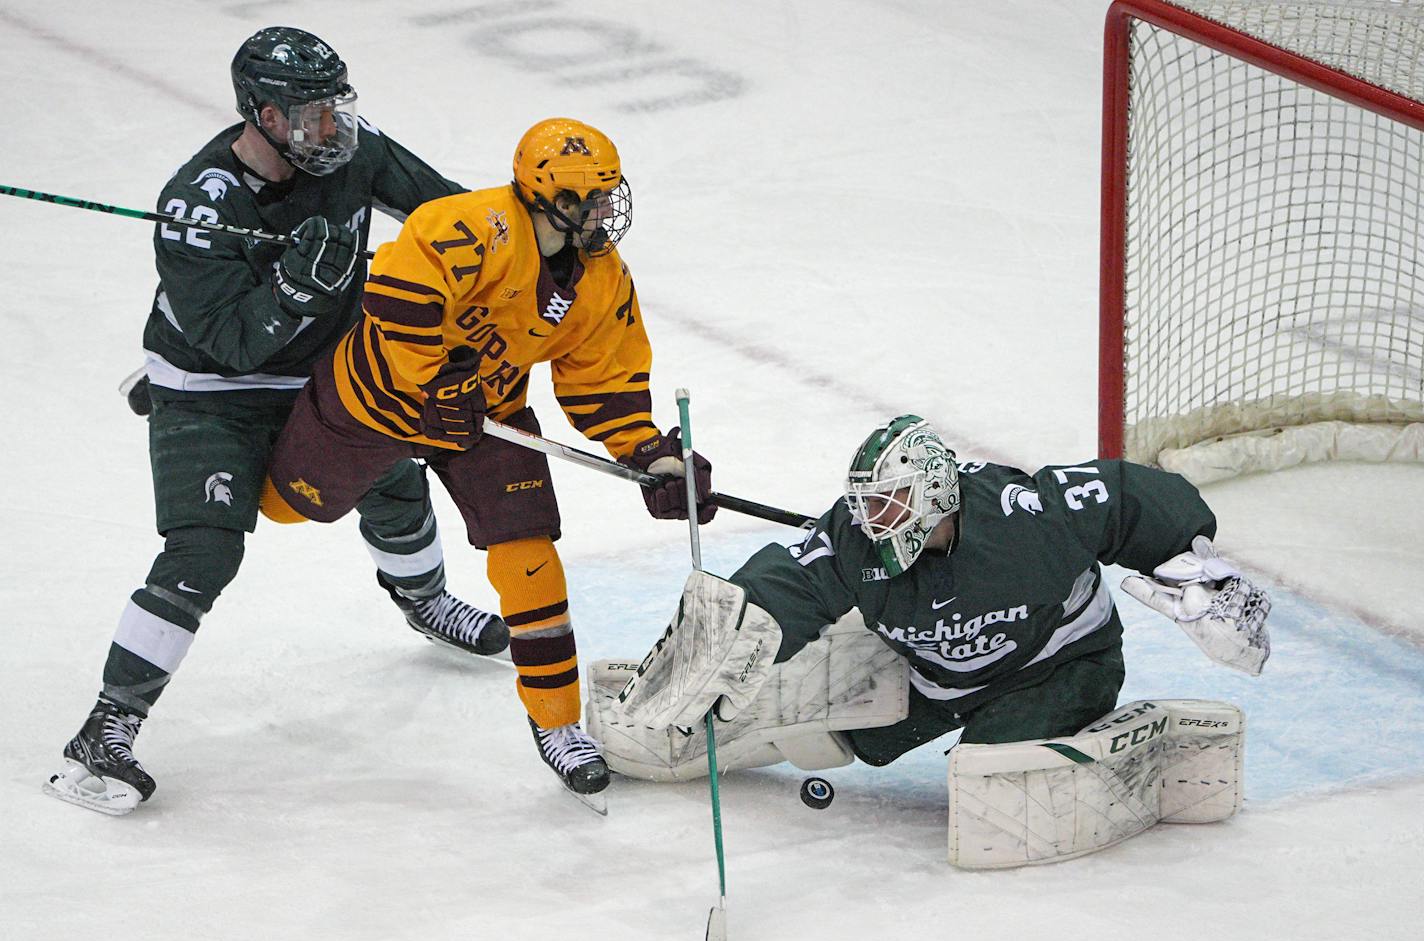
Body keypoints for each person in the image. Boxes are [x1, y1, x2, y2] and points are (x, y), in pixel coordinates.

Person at [45, 27, 507, 817]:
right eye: (311, 115)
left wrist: (523, 247)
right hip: (208, 385)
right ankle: (107, 727)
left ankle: (423, 599)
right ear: (261, 113)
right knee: (203, 551)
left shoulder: (355, 153)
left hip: (320, 367)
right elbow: (227, 342)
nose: (332, 128)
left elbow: (451, 218)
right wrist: (295, 292)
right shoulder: (199, 202)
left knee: (393, 462)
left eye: (336, 107)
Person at [257, 117, 717, 808]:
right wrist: (437, 380)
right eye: (590, 198)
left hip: (488, 420)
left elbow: (604, 382)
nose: (605, 210)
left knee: (529, 555)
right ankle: (246, 403)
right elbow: (397, 293)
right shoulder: (473, 227)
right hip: (375, 400)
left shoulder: (600, 279)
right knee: (283, 508)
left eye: (606, 193)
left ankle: (557, 723)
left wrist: (648, 451)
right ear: (547, 197)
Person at [599, 413, 1270, 794]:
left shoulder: (1023, 515)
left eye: (889, 504)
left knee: (990, 785)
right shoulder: (856, 540)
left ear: (936, 494)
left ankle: (1138, 755)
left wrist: (1198, 567)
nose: (872, 521)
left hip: (1061, 665)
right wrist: (722, 630)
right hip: (936, 674)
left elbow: (1128, 497)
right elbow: (789, 580)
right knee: (822, 731)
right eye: (865, 505)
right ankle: (684, 731)